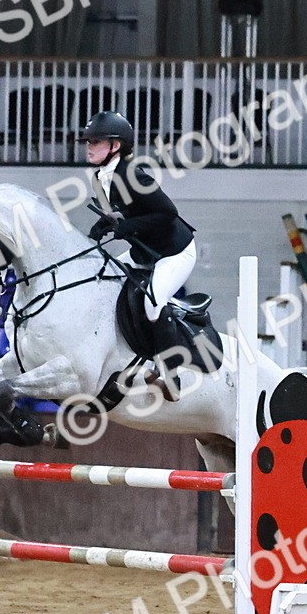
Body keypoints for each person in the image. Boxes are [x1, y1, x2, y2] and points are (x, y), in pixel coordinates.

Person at [80, 111, 196, 402]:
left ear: (115, 146)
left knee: (153, 302)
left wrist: (129, 227)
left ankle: (170, 373)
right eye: (88, 141)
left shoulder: (132, 175)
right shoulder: (99, 178)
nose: (89, 147)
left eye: (96, 141)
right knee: (105, 279)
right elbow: (117, 213)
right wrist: (99, 230)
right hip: (143, 251)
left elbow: (167, 212)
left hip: (173, 252)